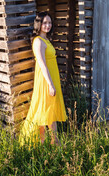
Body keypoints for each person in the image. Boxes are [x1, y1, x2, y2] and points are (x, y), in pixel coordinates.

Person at [19, 11, 67, 145]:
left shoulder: (46, 40)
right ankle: (47, 142)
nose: (48, 25)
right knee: (45, 111)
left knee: (48, 111)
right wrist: (50, 84)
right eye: (45, 22)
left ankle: (49, 142)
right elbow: (42, 64)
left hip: (52, 78)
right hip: (45, 80)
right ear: (39, 24)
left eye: (50, 22)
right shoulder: (38, 41)